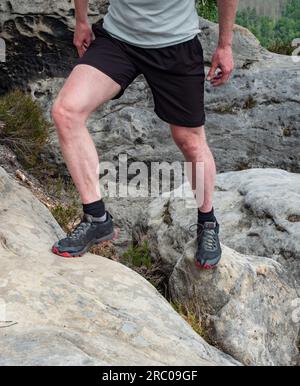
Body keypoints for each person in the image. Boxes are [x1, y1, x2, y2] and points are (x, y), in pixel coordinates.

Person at [51, 0, 238, 268]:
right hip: (118, 40)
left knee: (190, 141)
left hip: (175, 44)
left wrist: (225, 45)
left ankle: (207, 222)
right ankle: (96, 218)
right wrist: (81, 20)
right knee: (65, 112)